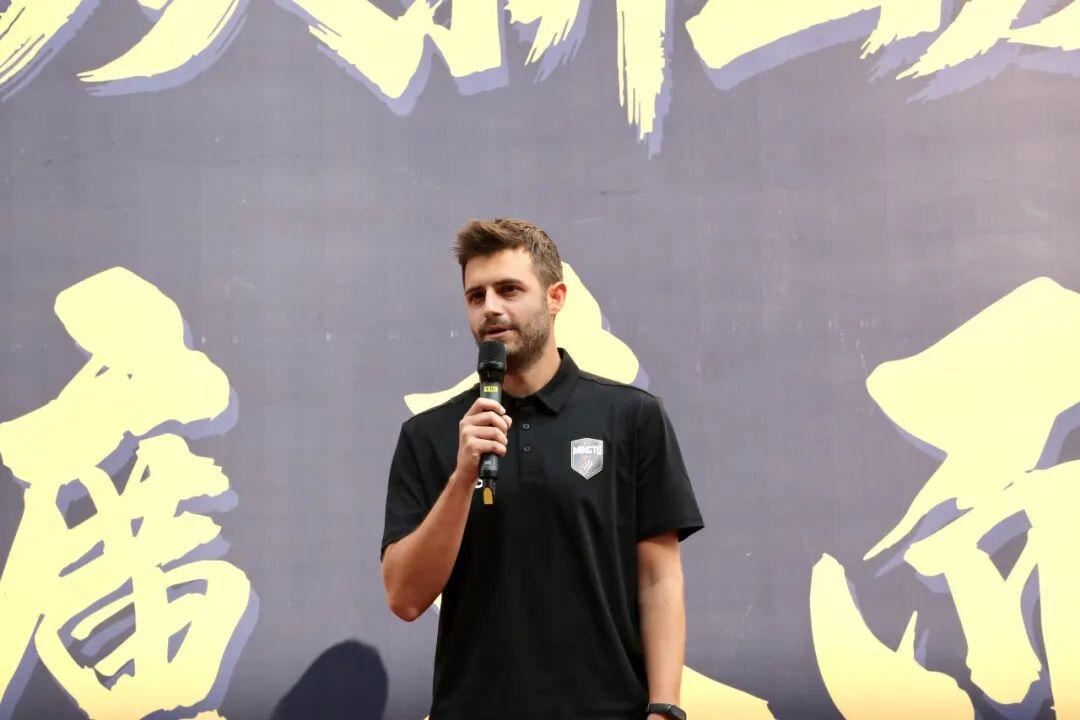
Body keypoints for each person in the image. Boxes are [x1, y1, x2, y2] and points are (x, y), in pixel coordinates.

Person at [381, 218, 704, 720]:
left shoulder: (630, 417)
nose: (491, 308)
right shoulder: (430, 435)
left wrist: (664, 708)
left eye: (509, 290)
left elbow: (658, 578)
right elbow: (404, 598)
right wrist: (463, 475)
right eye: (476, 296)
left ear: (556, 298)